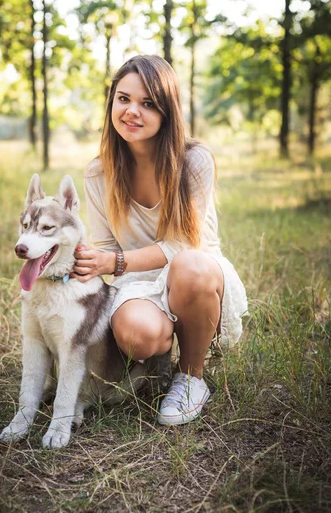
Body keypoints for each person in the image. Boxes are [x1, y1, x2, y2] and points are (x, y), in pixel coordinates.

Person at [71, 54, 247, 426]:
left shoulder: (194, 160)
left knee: (190, 267)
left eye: (148, 103)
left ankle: (191, 377)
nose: (132, 111)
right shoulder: (98, 172)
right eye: (124, 99)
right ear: (112, 103)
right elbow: (105, 248)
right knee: (139, 335)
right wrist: (83, 264)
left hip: (195, 273)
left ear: (167, 111)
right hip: (138, 281)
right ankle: (156, 364)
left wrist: (114, 263)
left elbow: (183, 246)